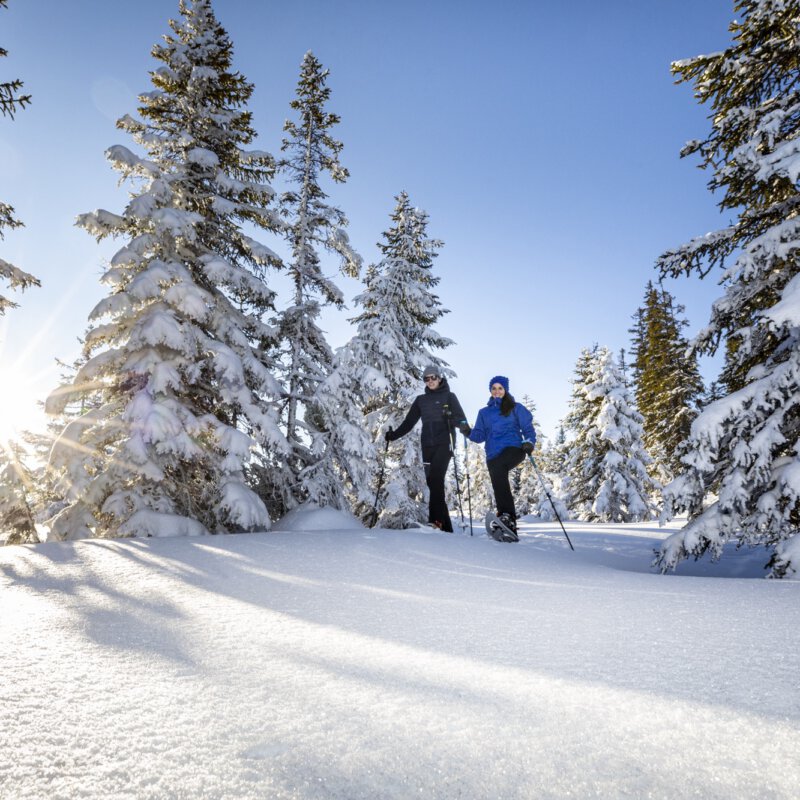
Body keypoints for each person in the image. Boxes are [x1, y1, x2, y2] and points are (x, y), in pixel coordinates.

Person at [385, 365, 470, 532]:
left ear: (439, 378)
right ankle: (446, 529)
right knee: (433, 484)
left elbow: (461, 420)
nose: (430, 381)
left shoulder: (449, 397)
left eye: (433, 377)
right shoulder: (421, 401)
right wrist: (393, 435)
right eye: (426, 378)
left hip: (444, 444)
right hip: (427, 445)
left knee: (437, 479)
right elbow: (409, 423)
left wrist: (457, 422)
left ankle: (435, 521)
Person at [468, 375, 536, 536]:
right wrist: (466, 431)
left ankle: (508, 516)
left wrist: (529, 442)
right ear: (490, 391)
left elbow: (528, 428)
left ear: (505, 390)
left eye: (500, 388)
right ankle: (506, 519)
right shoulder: (484, 413)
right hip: (492, 454)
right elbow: (479, 436)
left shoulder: (515, 407)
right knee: (499, 482)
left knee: (499, 468)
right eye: (494, 388)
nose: (497, 391)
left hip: (514, 448)